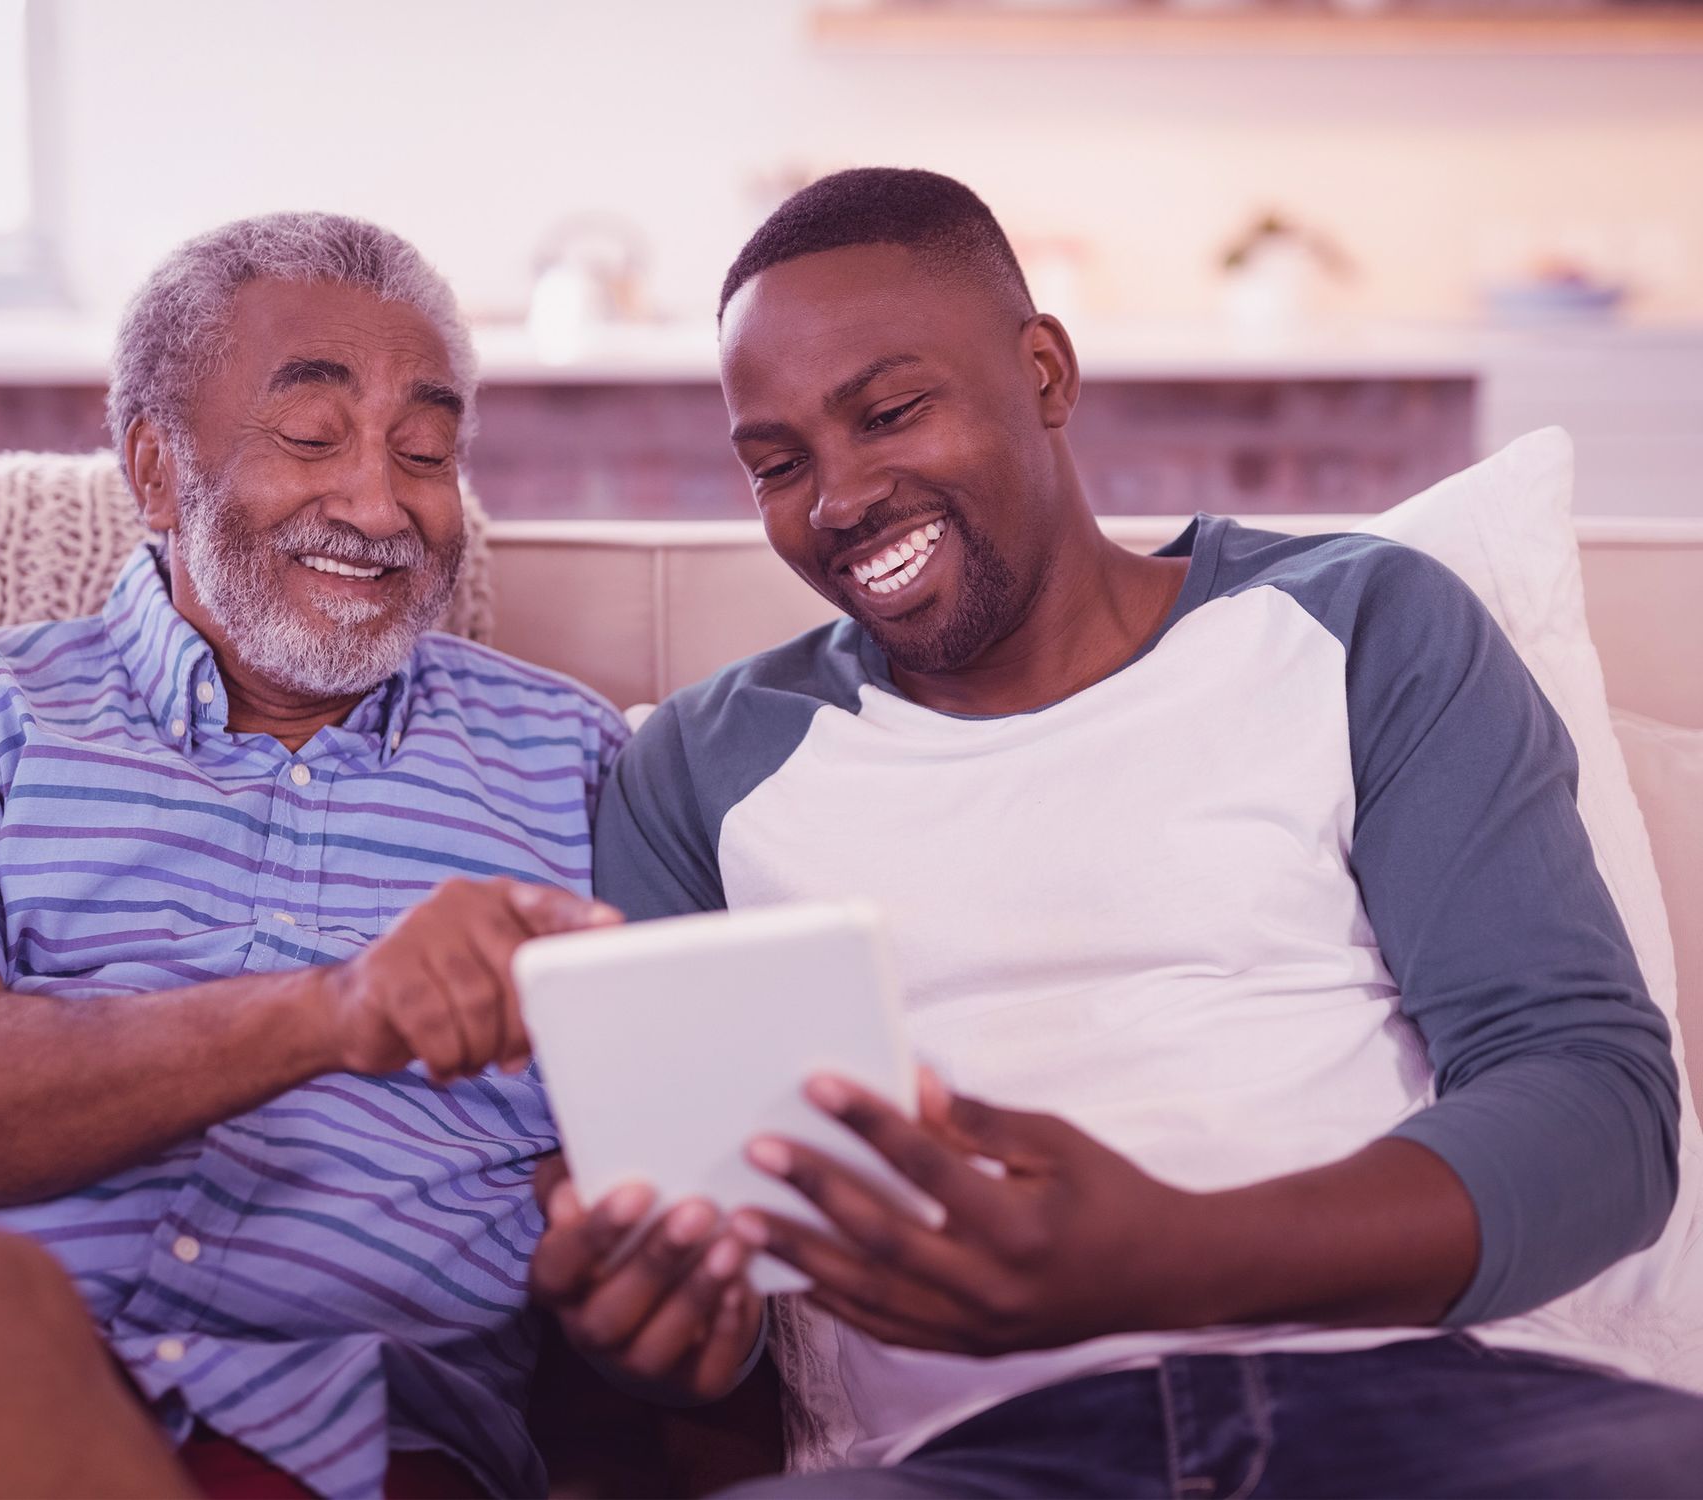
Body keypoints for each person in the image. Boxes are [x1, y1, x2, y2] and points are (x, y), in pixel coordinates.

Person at [528, 168, 1703, 1496]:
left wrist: (1171, 1255)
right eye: (780, 463)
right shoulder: (698, 767)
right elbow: (706, 1295)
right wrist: (646, 1334)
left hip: (1437, 1414)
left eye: (893, 411)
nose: (839, 498)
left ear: (1042, 372)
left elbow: (1594, 1107)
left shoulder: (1365, 625)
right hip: (978, 1463)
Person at [0, 212, 633, 1500]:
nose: (378, 504)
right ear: (155, 469)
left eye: (425, 451)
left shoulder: (574, 762)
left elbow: (635, 1172)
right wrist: (336, 1009)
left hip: (360, 1447)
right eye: (311, 438)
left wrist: (621, 1259)